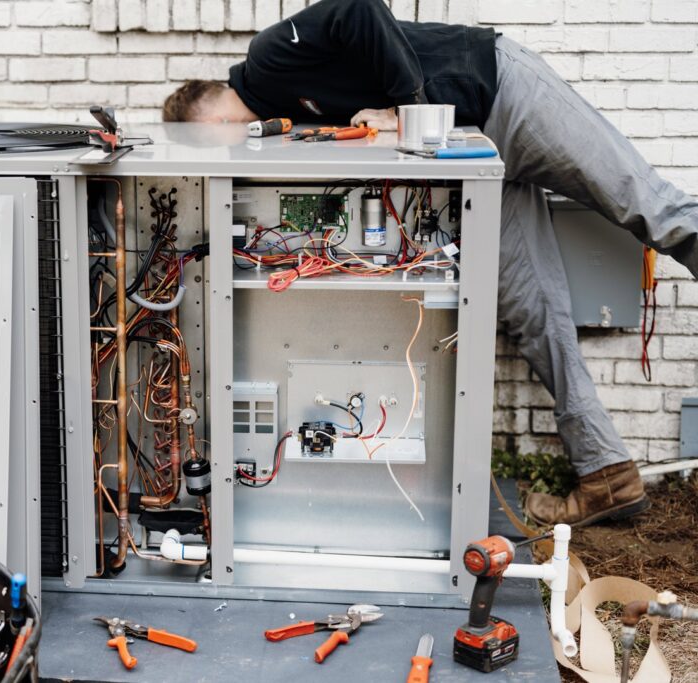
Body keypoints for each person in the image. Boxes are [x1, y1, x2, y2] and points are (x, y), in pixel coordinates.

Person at [163, 0, 698, 527]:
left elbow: (358, 9)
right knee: (534, 316)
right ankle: (607, 475)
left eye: (208, 143)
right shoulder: (285, 119)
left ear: (206, 116)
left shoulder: (268, 57)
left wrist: (404, 109)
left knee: (648, 206)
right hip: (476, 161)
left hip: (501, 93)